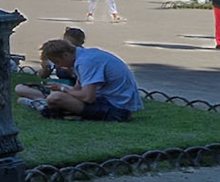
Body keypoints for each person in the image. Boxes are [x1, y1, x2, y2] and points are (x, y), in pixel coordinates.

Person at [15, 38, 143, 121]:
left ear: (66, 55)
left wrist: (62, 89)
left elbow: (88, 97)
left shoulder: (87, 62)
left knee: (55, 98)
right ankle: (45, 104)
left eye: (58, 62)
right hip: (102, 100)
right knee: (21, 89)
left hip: (117, 108)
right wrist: (61, 88)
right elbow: (77, 89)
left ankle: (43, 105)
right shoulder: (83, 58)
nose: (58, 66)